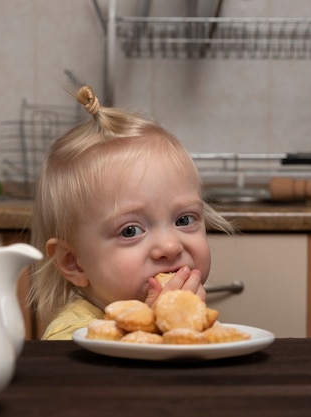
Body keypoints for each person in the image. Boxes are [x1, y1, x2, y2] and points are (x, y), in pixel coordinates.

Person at [28, 85, 233, 340]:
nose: (170, 246)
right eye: (130, 230)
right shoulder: (70, 337)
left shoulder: (195, 317)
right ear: (74, 262)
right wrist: (155, 328)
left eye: (184, 220)